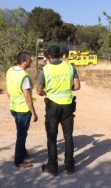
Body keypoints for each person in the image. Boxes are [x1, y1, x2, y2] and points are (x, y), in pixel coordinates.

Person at [37, 45, 81, 176]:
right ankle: (70, 167)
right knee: (68, 136)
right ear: (61, 55)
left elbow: (39, 90)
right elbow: (77, 86)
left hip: (52, 106)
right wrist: (67, 88)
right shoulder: (70, 67)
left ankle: (53, 168)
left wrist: (45, 92)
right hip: (67, 105)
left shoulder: (45, 69)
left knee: (52, 137)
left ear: (49, 56)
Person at [6, 51, 38, 168]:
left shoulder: (10, 71)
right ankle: (19, 161)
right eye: (30, 60)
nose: (31, 61)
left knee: (21, 131)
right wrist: (34, 113)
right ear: (24, 61)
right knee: (21, 134)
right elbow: (27, 96)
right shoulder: (24, 76)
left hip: (14, 107)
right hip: (23, 110)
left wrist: (12, 100)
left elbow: (7, 89)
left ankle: (23, 152)